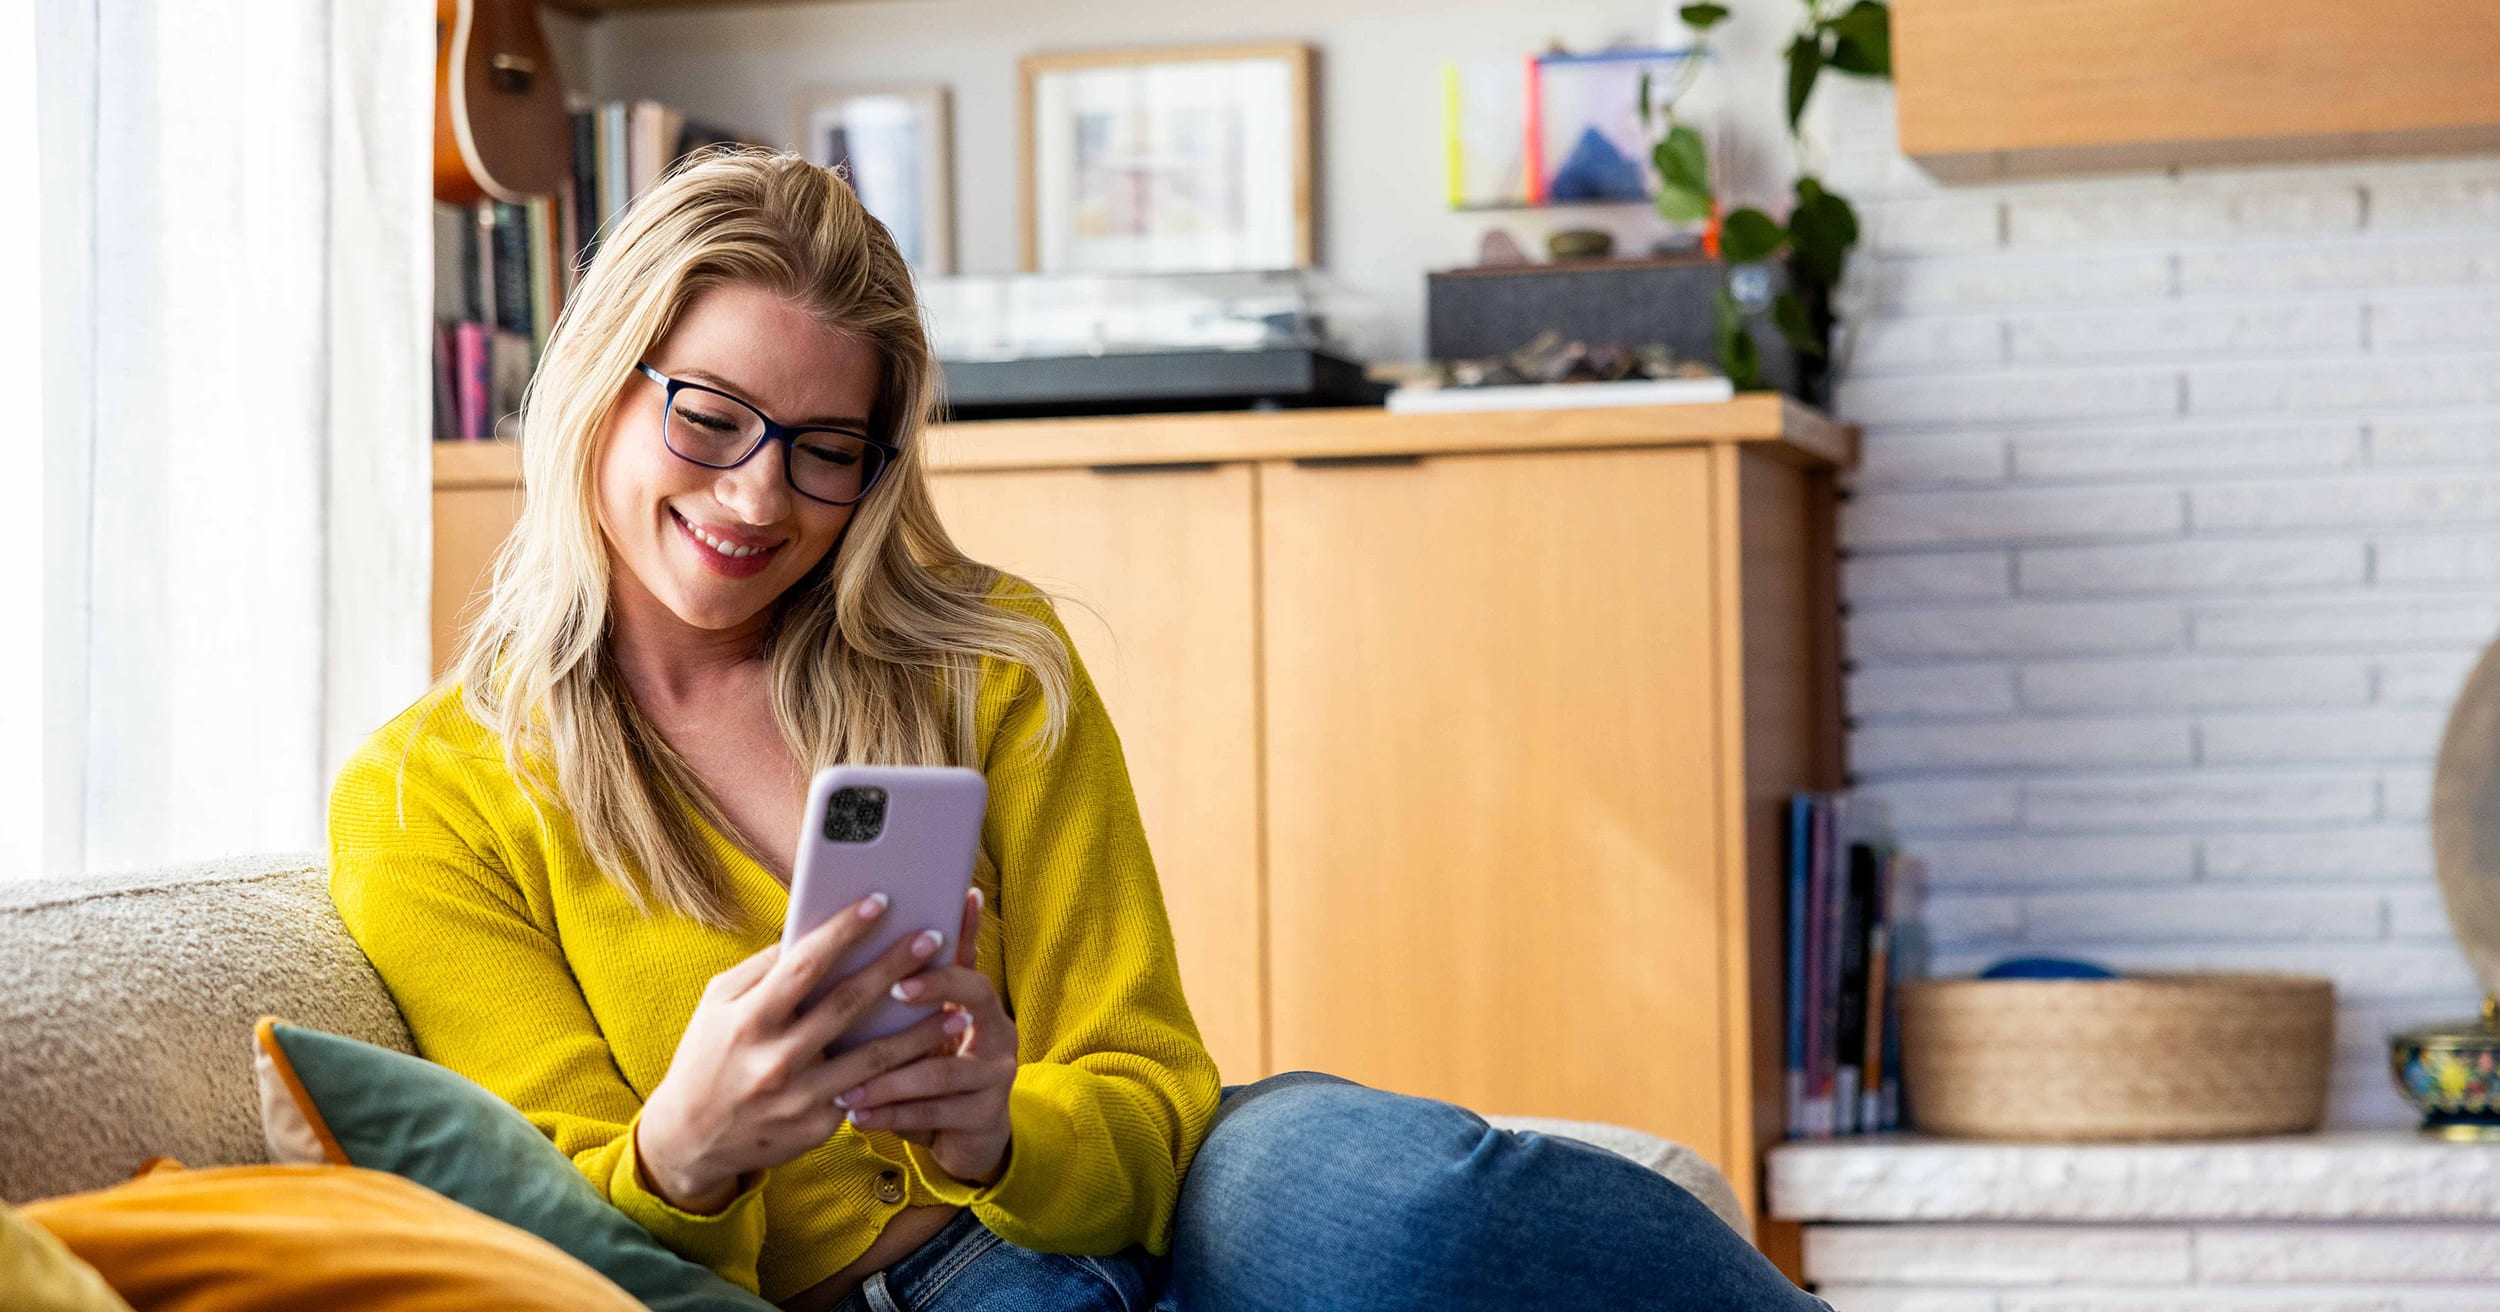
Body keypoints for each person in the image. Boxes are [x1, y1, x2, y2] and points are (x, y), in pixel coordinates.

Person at [328, 148, 1829, 1312]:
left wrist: (995, 1130)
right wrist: (689, 1146)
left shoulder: (984, 663)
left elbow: (1144, 1085)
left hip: (1154, 1226)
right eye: (709, 419)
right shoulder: (430, 799)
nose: (758, 498)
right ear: (601, 386)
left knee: (1393, 1204)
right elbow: (560, 1236)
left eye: (826, 450)